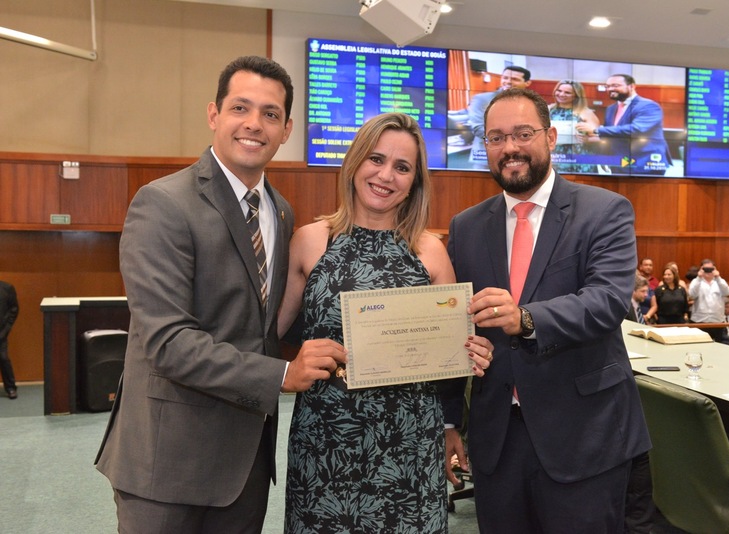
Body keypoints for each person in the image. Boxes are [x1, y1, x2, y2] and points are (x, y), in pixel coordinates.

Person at [95, 56, 348, 532]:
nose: (254, 124)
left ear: (287, 129)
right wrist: (284, 374)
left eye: (270, 114)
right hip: (167, 462)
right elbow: (168, 343)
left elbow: (267, 324)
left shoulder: (281, 212)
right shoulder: (163, 203)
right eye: (240, 108)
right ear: (214, 115)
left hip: (246, 463)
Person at [443, 87, 651, 532]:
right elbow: (454, 328)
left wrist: (525, 319)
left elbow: (607, 300)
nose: (510, 148)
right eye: (496, 137)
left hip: (585, 437)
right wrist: (448, 422)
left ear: (551, 137)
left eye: (523, 134)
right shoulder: (465, 227)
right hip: (497, 441)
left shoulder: (604, 211)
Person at [277, 112, 494, 533]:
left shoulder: (430, 250)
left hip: (411, 443)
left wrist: (473, 351)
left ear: (414, 182)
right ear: (355, 162)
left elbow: (453, 353)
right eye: (376, 159)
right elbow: (273, 336)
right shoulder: (311, 240)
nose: (386, 175)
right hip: (326, 441)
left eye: (402, 167)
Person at [576, 74, 671, 175]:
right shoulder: (611, 109)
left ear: (632, 86)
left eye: (615, 85)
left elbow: (636, 130)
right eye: (608, 86)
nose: (610, 89)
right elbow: (612, 135)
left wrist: (596, 130)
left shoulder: (648, 106)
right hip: (619, 164)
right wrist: (594, 142)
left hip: (645, 163)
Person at [467, 66, 531, 166]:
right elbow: (478, 128)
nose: (508, 82)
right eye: (505, 78)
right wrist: (510, 139)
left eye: (515, 79)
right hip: (487, 159)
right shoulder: (482, 99)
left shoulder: (531, 103)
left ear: (527, 83)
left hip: (520, 159)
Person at [547, 79, 600, 174]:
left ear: (576, 96)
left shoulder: (586, 113)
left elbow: (599, 138)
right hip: (555, 158)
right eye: (559, 90)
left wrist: (587, 139)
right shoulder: (548, 109)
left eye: (567, 92)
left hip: (579, 160)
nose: (561, 94)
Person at [687, 259, 729, 342]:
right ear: (701, 269)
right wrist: (699, 277)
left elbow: (727, 292)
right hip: (700, 321)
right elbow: (692, 295)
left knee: (719, 346)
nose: (708, 271)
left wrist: (718, 277)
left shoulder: (720, 281)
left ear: (715, 269)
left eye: (710, 269)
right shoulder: (696, 281)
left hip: (717, 321)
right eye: (705, 269)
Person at [0, 280, 19, 400]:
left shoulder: (7, 288)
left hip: (1, 333)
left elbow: (14, 309)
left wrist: (5, 330)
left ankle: (11, 388)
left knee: (3, 358)